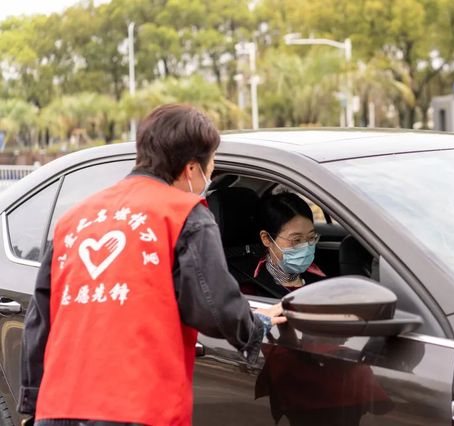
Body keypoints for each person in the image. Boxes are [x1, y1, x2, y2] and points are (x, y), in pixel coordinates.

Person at [18, 104, 285, 426]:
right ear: (191, 168)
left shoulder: (74, 220)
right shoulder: (184, 215)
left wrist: (34, 403)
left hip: (59, 408)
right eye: (212, 164)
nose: (210, 174)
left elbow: (39, 319)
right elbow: (213, 307)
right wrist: (256, 326)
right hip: (136, 408)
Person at [252, 192, 325, 294]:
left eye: (311, 238)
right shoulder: (252, 289)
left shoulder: (321, 281)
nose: (306, 248)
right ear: (267, 239)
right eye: (296, 240)